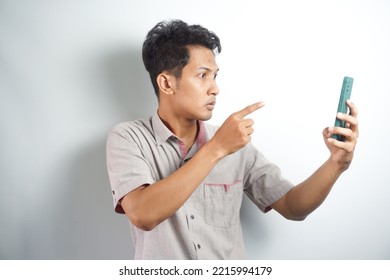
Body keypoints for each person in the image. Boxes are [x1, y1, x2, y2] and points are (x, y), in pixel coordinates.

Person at [106, 19, 359, 259]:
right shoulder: (129, 138)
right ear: (166, 83)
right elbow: (143, 214)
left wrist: (336, 163)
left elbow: (293, 207)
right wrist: (216, 149)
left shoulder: (235, 144)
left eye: (215, 76)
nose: (215, 88)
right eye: (203, 75)